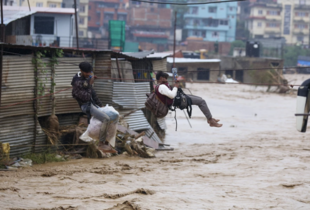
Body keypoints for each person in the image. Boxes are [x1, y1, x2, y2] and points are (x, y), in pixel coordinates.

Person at [71, 62, 117, 153]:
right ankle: (101, 144)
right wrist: (90, 84)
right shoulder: (77, 83)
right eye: (86, 73)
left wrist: (101, 105)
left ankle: (107, 142)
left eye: (90, 72)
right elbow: (87, 97)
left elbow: (93, 94)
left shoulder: (86, 78)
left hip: (93, 104)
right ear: (81, 71)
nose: (88, 74)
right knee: (106, 119)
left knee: (113, 115)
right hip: (86, 106)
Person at [156, 71, 222, 127]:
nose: (167, 80)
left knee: (200, 99)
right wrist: (175, 87)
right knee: (201, 102)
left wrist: (175, 86)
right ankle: (211, 120)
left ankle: (210, 119)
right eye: (166, 78)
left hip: (180, 97)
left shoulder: (161, 86)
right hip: (180, 101)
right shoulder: (161, 86)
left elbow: (169, 93)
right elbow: (172, 96)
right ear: (161, 78)